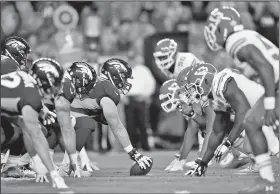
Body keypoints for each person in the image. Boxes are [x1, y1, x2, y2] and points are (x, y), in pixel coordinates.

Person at [203, 6, 279, 193]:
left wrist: (269, 104)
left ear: (222, 28)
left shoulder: (235, 42)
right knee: (251, 122)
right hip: (275, 86)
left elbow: (266, 68)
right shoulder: (245, 36)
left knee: (253, 122)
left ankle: (268, 179)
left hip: (276, 86)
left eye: (214, 27)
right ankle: (267, 180)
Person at [57, 58, 152, 172]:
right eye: (124, 77)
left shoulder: (98, 85)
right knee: (86, 123)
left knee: (82, 122)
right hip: (56, 112)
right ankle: (65, 166)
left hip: (56, 111)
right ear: (115, 76)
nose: (125, 81)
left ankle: (62, 164)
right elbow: (117, 127)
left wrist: (84, 158)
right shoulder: (107, 94)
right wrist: (134, 154)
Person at [1, 58, 69, 188]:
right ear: (43, 81)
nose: (57, 87)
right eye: (55, 83)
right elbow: (36, 136)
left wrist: (42, 110)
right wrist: (51, 172)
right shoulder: (32, 97)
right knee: (31, 130)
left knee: (23, 124)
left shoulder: (24, 78)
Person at [153, 41, 216, 169]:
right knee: (198, 122)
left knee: (197, 123)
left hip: (208, 93)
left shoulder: (185, 62)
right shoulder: (170, 69)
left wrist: (180, 158)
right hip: (200, 93)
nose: (162, 60)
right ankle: (204, 155)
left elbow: (196, 82)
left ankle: (204, 156)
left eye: (164, 56)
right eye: (160, 57)